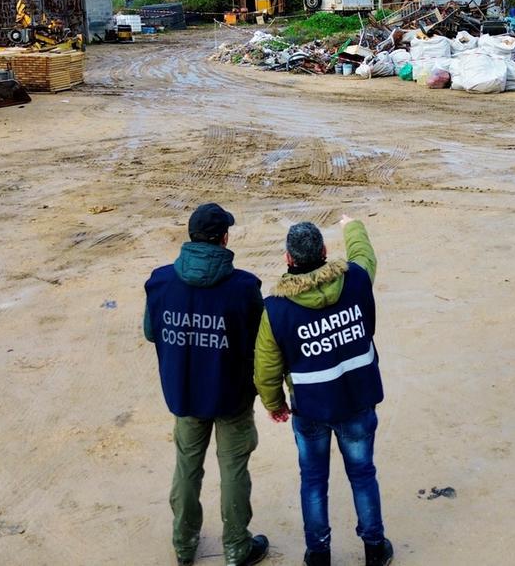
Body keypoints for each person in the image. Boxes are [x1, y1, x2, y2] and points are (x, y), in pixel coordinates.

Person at [254, 215, 394, 566]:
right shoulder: (355, 279)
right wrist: (352, 226)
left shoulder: (276, 309)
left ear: (288, 259)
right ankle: (375, 548)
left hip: (310, 408)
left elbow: (266, 366)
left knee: (314, 480)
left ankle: (318, 553)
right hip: (357, 399)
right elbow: (365, 256)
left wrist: (274, 403)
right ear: (325, 252)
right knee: (363, 474)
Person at [144, 203, 270, 566]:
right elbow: (262, 343)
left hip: (184, 392)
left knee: (187, 467)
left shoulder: (161, 281)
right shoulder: (244, 287)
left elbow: (151, 332)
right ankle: (237, 547)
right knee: (233, 470)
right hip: (232, 395)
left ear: (191, 237)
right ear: (224, 239)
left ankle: (184, 545)